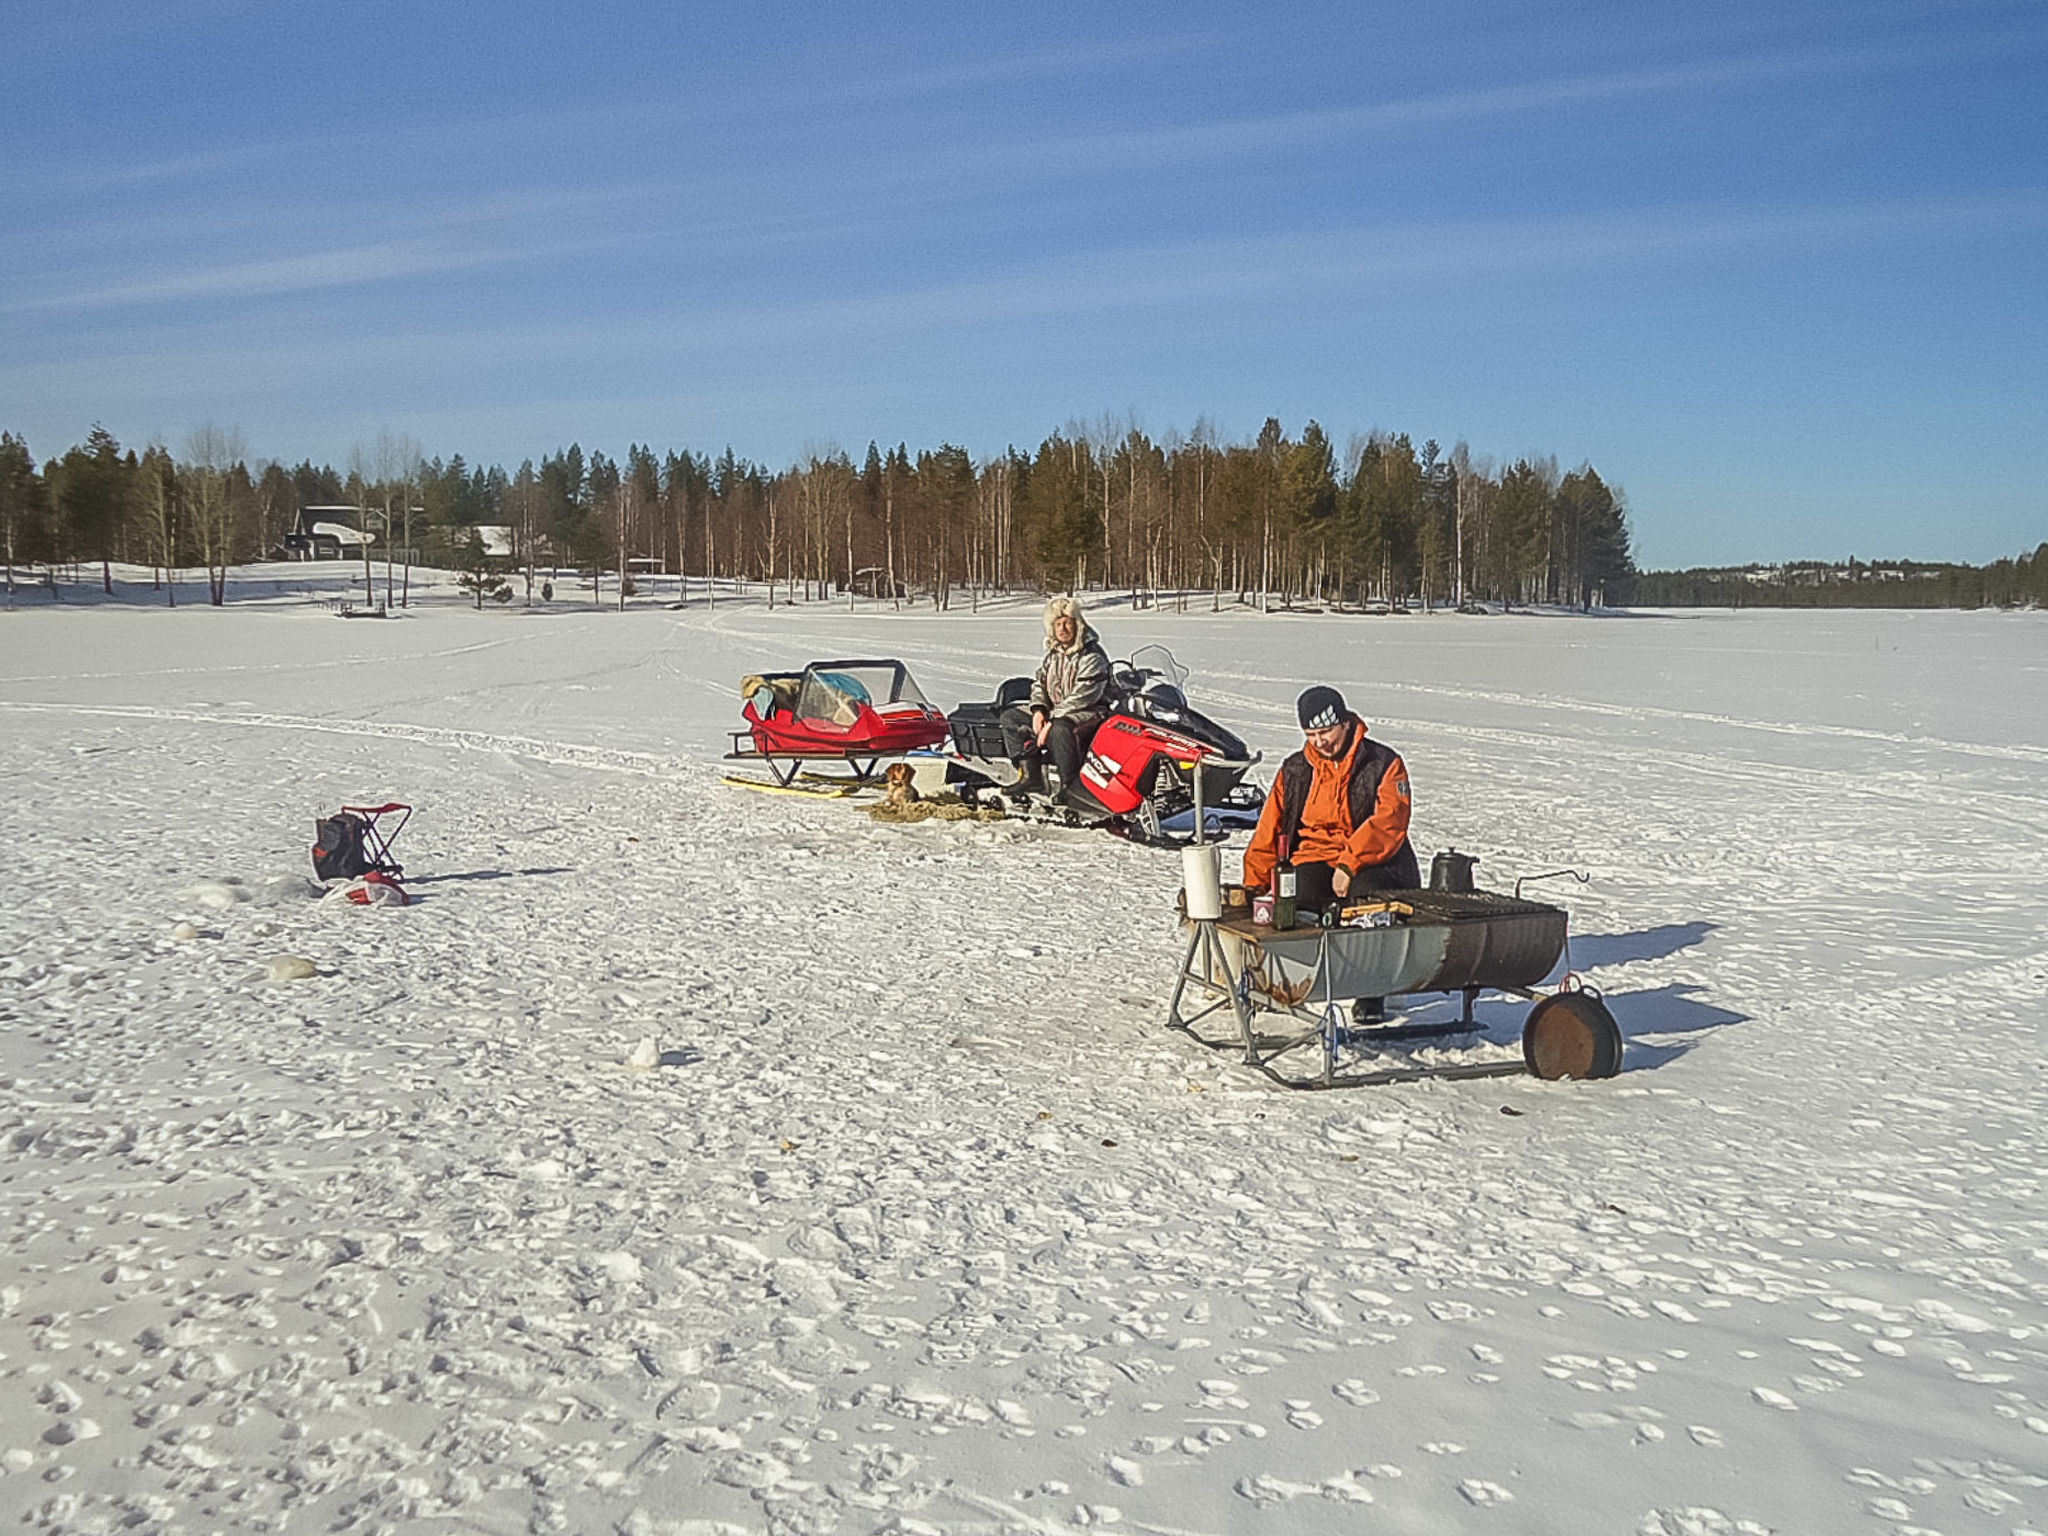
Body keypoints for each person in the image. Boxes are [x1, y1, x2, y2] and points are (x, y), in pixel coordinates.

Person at [1243, 685, 1419, 913]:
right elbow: (1270, 829)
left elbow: (1390, 822)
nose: (1319, 742)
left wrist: (1348, 865)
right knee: (1295, 894)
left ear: (1345, 724)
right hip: (1312, 858)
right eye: (1310, 735)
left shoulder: (1383, 763)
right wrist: (1253, 886)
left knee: (1365, 896)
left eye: (1325, 732)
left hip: (1373, 861)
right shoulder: (1295, 770)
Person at [1001, 596, 1111, 804]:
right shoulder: (1054, 654)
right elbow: (1039, 683)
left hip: (1090, 710)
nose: (1063, 628)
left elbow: (1083, 695)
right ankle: (1030, 774)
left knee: (1061, 729)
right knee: (1011, 718)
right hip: (1055, 710)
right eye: (1058, 624)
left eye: (1067, 622)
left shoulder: (1092, 655)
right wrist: (1039, 710)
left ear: (1077, 624)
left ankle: (1070, 786)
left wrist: (1051, 721)